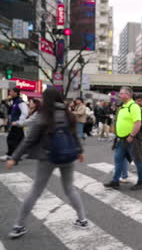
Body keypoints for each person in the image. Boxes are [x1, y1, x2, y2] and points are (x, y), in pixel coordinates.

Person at [5, 87, 87, 239]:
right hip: (68, 156)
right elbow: (74, 135)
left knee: (35, 191)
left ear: (47, 99)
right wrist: (80, 151)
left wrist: (14, 157)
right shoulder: (68, 114)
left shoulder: (44, 115)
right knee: (69, 188)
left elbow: (29, 140)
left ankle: (18, 225)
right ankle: (82, 219)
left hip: (47, 157)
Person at [103, 86, 142, 190]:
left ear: (128, 95)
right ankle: (115, 181)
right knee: (118, 159)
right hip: (121, 139)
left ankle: (141, 182)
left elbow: (138, 123)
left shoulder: (133, 106)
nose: (119, 95)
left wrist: (131, 136)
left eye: (121, 93)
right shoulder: (123, 106)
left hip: (132, 139)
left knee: (138, 160)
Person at [2, 88, 29, 162]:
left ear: (16, 93)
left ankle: (10, 155)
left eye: (11, 91)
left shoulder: (20, 102)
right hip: (16, 123)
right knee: (21, 139)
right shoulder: (14, 101)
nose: (10, 93)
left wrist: (20, 121)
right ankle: (22, 153)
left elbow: (25, 112)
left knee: (11, 139)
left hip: (17, 124)